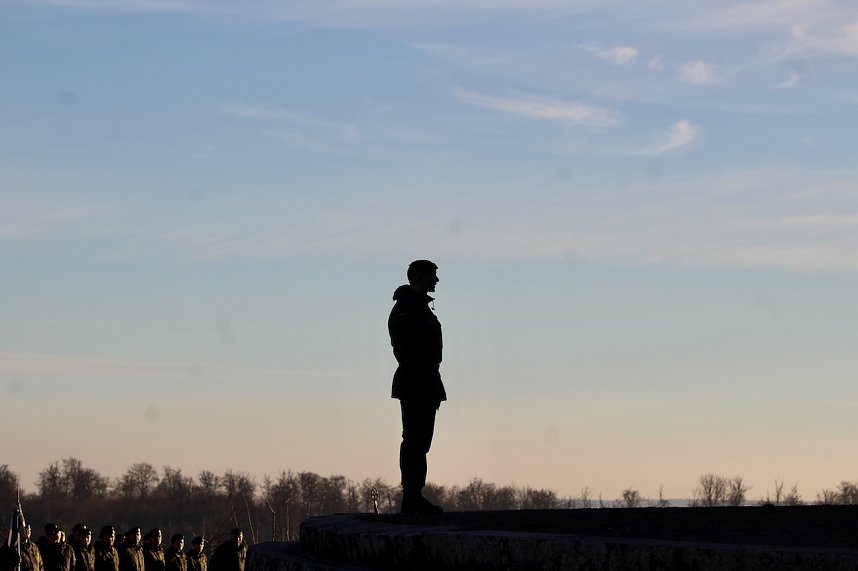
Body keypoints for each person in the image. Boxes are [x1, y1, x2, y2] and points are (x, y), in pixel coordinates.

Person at [388, 259, 446, 514]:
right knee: (414, 440)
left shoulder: (418, 308)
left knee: (421, 441)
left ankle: (414, 495)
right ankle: (411, 495)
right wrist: (421, 373)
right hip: (415, 382)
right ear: (419, 277)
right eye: (433, 275)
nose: (436, 280)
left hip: (426, 382)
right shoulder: (406, 310)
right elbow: (405, 349)